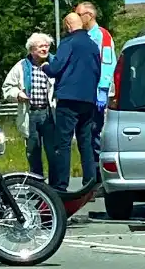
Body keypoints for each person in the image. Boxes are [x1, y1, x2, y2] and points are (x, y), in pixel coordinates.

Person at [41, 13, 101, 188]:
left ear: (68, 25)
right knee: (86, 142)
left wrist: (45, 66)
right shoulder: (92, 44)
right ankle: (89, 183)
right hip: (88, 99)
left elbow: (56, 68)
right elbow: (97, 70)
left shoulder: (68, 43)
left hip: (68, 99)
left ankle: (61, 185)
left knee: (64, 143)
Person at [1, 32, 62, 191]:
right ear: (32, 49)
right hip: (30, 114)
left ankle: (56, 188)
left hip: (50, 114)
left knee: (53, 151)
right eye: (41, 46)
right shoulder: (21, 66)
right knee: (33, 152)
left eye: (47, 46)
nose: (45, 49)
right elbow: (7, 88)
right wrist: (18, 94)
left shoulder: (55, 63)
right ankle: (38, 187)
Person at [76, 1, 116, 172]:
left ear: (89, 16)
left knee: (96, 133)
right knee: (86, 135)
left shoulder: (102, 36)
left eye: (79, 15)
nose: (76, 18)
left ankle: (99, 176)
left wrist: (103, 89)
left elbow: (107, 63)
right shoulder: (83, 36)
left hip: (97, 95)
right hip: (84, 93)